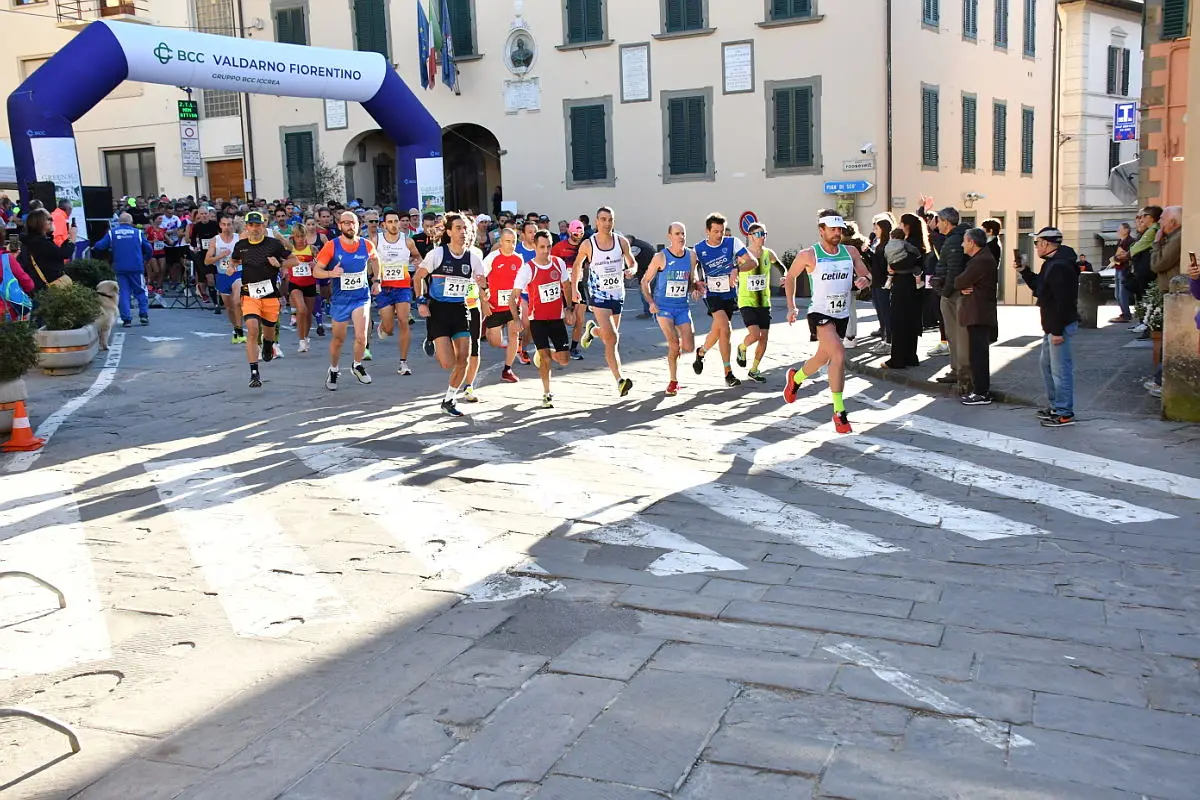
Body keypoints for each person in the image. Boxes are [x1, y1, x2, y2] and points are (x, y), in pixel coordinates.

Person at [782, 212, 872, 434]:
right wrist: (791, 306)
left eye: (839, 230)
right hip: (820, 313)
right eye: (832, 230)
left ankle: (796, 377)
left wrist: (864, 280)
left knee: (822, 358)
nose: (837, 233)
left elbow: (865, 273)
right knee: (839, 355)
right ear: (821, 230)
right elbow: (791, 277)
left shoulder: (850, 252)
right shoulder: (809, 255)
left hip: (841, 314)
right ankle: (839, 412)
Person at [412, 212, 488, 417]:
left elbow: (483, 285)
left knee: (464, 358)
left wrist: (484, 289)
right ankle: (432, 339)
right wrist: (421, 301)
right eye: (458, 228)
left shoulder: (473, 257)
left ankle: (449, 399)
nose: (463, 232)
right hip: (438, 310)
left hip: (460, 309)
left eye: (465, 228)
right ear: (448, 232)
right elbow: (418, 278)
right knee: (448, 363)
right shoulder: (437, 254)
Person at [1016, 227, 1080, 427]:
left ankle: (1064, 413)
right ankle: (1056, 406)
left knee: (1060, 370)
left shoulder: (1059, 266)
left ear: (1045, 243)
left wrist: (1058, 331)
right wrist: (1024, 271)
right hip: (1052, 326)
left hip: (1058, 326)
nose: (1036, 247)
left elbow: (1062, 301)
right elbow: (1040, 288)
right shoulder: (1053, 263)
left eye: (1037, 243)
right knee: (1048, 367)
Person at [573, 206, 637, 396]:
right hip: (598, 296)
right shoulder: (588, 244)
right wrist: (575, 288)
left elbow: (632, 262)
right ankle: (620, 380)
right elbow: (577, 265)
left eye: (610, 220)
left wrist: (632, 270)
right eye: (603, 219)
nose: (607, 223)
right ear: (596, 221)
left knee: (610, 338)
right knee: (613, 337)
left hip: (617, 294)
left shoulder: (621, 242)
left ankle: (592, 330)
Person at [313, 211, 379, 390]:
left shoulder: (366, 244)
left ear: (359, 225)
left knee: (361, 336)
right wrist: (330, 273)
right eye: (346, 223)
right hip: (341, 300)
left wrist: (376, 280)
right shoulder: (332, 246)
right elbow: (316, 271)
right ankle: (333, 369)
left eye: (353, 223)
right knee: (338, 339)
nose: (350, 226)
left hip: (361, 297)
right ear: (340, 225)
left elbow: (375, 259)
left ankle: (357, 365)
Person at [692, 212, 759, 387]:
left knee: (717, 331)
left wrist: (737, 268)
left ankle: (701, 352)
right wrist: (695, 283)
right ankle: (728, 373)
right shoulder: (698, 249)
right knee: (726, 328)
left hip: (729, 294)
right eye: (715, 231)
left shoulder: (732, 243)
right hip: (712, 294)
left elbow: (753, 262)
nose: (719, 235)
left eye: (722, 231)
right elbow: (691, 269)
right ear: (707, 231)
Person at [511, 230, 575, 408]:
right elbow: (513, 296)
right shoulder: (528, 268)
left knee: (564, 360)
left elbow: (566, 286)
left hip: (556, 319)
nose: (545, 251)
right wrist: (516, 319)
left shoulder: (558, 263)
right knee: (547, 360)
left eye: (548, 246)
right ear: (534, 247)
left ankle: (543, 357)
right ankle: (547, 394)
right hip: (537, 320)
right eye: (541, 247)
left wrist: (569, 308)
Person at [229, 211, 293, 389]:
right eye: (251, 225)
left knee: (268, 331)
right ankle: (254, 373)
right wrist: (231, 267)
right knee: (252, 329)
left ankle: (268, 344)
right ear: (246, 227)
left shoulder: (273, 244)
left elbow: (294, 260)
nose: (255, 228)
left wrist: (280, 264)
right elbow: (233, 260)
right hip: (249, 294)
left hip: (270, 296)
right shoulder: (241, 245)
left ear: (264, 226)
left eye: (258, 225)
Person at [642, 222, 701, 396]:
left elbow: (691, 280)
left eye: (683, 233)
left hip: (682, 307)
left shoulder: (691, 256)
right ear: (669, 236)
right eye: (677, 234)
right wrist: (651, 302)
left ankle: (678, 350)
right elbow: (644, 282)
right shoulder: (661, 257)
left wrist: (695, 288)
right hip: (663, 307)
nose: (681, 237)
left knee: (688, 347)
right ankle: (673, 381)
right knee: (674, 344)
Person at [373, 208, 422, 375]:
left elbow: (417, 256)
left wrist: (417, 263)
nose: (394, 225)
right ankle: (384, 326)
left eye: (396, 221)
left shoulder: (407, 241)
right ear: (384, 224)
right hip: (384, 288)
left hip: (402, 287)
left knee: (403, 321)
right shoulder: (376, 241)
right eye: (391, 222)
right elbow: (369, 260)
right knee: (389, 329)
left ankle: (403, 362)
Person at [954, 228, 999, 406]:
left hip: (979, 312)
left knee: (979, 354)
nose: (962, 244)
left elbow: (959, 281)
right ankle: (979, 390)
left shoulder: (981, 261)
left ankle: (981, 392)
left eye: (964, 241)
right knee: (976, 353)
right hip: (978, 311)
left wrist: (966, 286)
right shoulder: (981, 259)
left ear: (972, 242)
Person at [1145, 206, 1184, 396]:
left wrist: (1156, 243)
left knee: (1169, 338)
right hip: (1168, 291)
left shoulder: (1177, 238)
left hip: (1172, 292)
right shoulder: (1174, 237)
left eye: (1162, 219)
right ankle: (1159, 380)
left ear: (1172, 222)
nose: (1159, 223)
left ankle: (1161, 382)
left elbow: (1157, 264)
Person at [933, 207, 972, 393]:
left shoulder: (955, 240)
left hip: (953, 294)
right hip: (951, 292)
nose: (937, 224)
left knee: (958, 335)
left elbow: (954, 269)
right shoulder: (955, 238)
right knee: (952, 334)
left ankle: (961, 372)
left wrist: (946, 291)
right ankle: (956, 369)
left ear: (946, 222)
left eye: (939, 221)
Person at [90, 212, 152, 328]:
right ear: (131, 221)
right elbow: (148, 248)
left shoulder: (112, 233)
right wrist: (145, 259)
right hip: (136, 267)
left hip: (119, 267)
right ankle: (143, 315)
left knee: (123, 292)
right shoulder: (138, 233)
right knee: (140, 291)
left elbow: (99, 246)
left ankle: (126, 319)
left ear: (119, 222)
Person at [736, 222, 780, 382]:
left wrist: (785, 276)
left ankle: (754, 370)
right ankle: (742, 347)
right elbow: (733, 269)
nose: (762, 237)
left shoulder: (769, 254)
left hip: (764, 302)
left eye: (764, 234)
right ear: (750, 236)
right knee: (755, 335)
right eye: (759, 234)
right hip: (746, 300)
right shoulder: (743, 255)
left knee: (764, 338)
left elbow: (782, 267)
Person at [882, 218, 926, 369]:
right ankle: (910, 356)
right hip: (913, 287)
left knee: (899, 322)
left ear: (907, 226)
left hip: (903, 286)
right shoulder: (916, 242)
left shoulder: (909, 243)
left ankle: (898, 359)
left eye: (901, 223)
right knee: (911, 322)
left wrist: (893, 267)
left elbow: (907, 262)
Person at [482, 227, 525, 383]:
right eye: (508, 241)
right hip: (495, 306)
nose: (511, 245)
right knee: (495, 342)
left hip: (513, 305)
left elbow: (522, 282)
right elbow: (479, 278)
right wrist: (483, 301)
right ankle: (487, 331)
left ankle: (507, 369)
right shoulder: (492, 258)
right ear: (501, 242)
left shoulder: (519, 259)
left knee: (514, 335)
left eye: (514, 241)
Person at [206, 215, 244, 343]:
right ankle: (236, 329)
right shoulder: (215, 241)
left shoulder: (239, 238)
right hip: (222, 275)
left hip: (237, 274)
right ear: (220, 225)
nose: (227, 227)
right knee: (229, 307)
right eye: (224, 224)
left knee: (237, 302)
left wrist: (237, 262)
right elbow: (207, 261)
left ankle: (240, 331)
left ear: (233, 225)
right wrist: (220, 256)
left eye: (229, 224)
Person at [552, 219, 586, 359]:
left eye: (581, 233)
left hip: (578, 285)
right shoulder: (559, 247)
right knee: (566, 319)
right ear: (569, 232)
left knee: (580, 319)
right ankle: (561, 345)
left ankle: (573, 348)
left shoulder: (586, 246)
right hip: (563, 286)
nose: (578, 236)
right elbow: (551, 265)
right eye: (575, 234)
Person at [18, 209, 74, 291]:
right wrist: (72, 239)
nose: (52, 221)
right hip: (48, 289)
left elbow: (57, 253)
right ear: (39, 223)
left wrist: (68, 240)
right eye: (48, 219)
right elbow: (63, 254)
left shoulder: (35, 240)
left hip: (43, 287)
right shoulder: (39, 242)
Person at [286, 224, 318, 352]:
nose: (300, 239)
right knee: (302, 310)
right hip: (295, 284)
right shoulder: (290, 249)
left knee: (308, 313)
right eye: (298, 236)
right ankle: (301, 340)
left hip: (309, 284)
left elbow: (321, 263)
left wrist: (315, 263)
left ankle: (305, 337)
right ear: (294, 236)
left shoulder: (312, 249)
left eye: (303, 236)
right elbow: (283, 261)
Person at [868, 215, 894, 351]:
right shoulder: (879, 244)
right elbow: (875, 263)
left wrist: (871, 255)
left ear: (883, 229)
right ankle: (884, 339)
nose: (874, 230)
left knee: (886, 312)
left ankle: (889, 341)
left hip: (884, 283)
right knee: (880, 312)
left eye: (877, 228)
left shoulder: (887, 245)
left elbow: (884, 264)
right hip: (877, 282)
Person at [189, 207, 220, 307]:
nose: (204, 216)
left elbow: (222, 234)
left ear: (209, 214)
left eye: (205, 213)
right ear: (198, 215)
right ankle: (215, 303)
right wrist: (195, 247)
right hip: (204, 254)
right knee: (210, 278)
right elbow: (192, 240)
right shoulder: (196, 226)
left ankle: (221, 298)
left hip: (216, 253)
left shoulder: (214, 224)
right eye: (201, 214)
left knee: (218, 277)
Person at [1110, 221, 1136, 323]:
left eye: (1120, 229)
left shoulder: (1130, 241)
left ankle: (1126, 314)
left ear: (1126, 230)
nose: (1118, 231)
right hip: (1118, 268)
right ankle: (1124, 313)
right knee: (1117, 294)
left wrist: (1117, 257)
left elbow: (1128, 256)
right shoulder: (1120, 241)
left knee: (1122, 294)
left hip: (1125, 270)